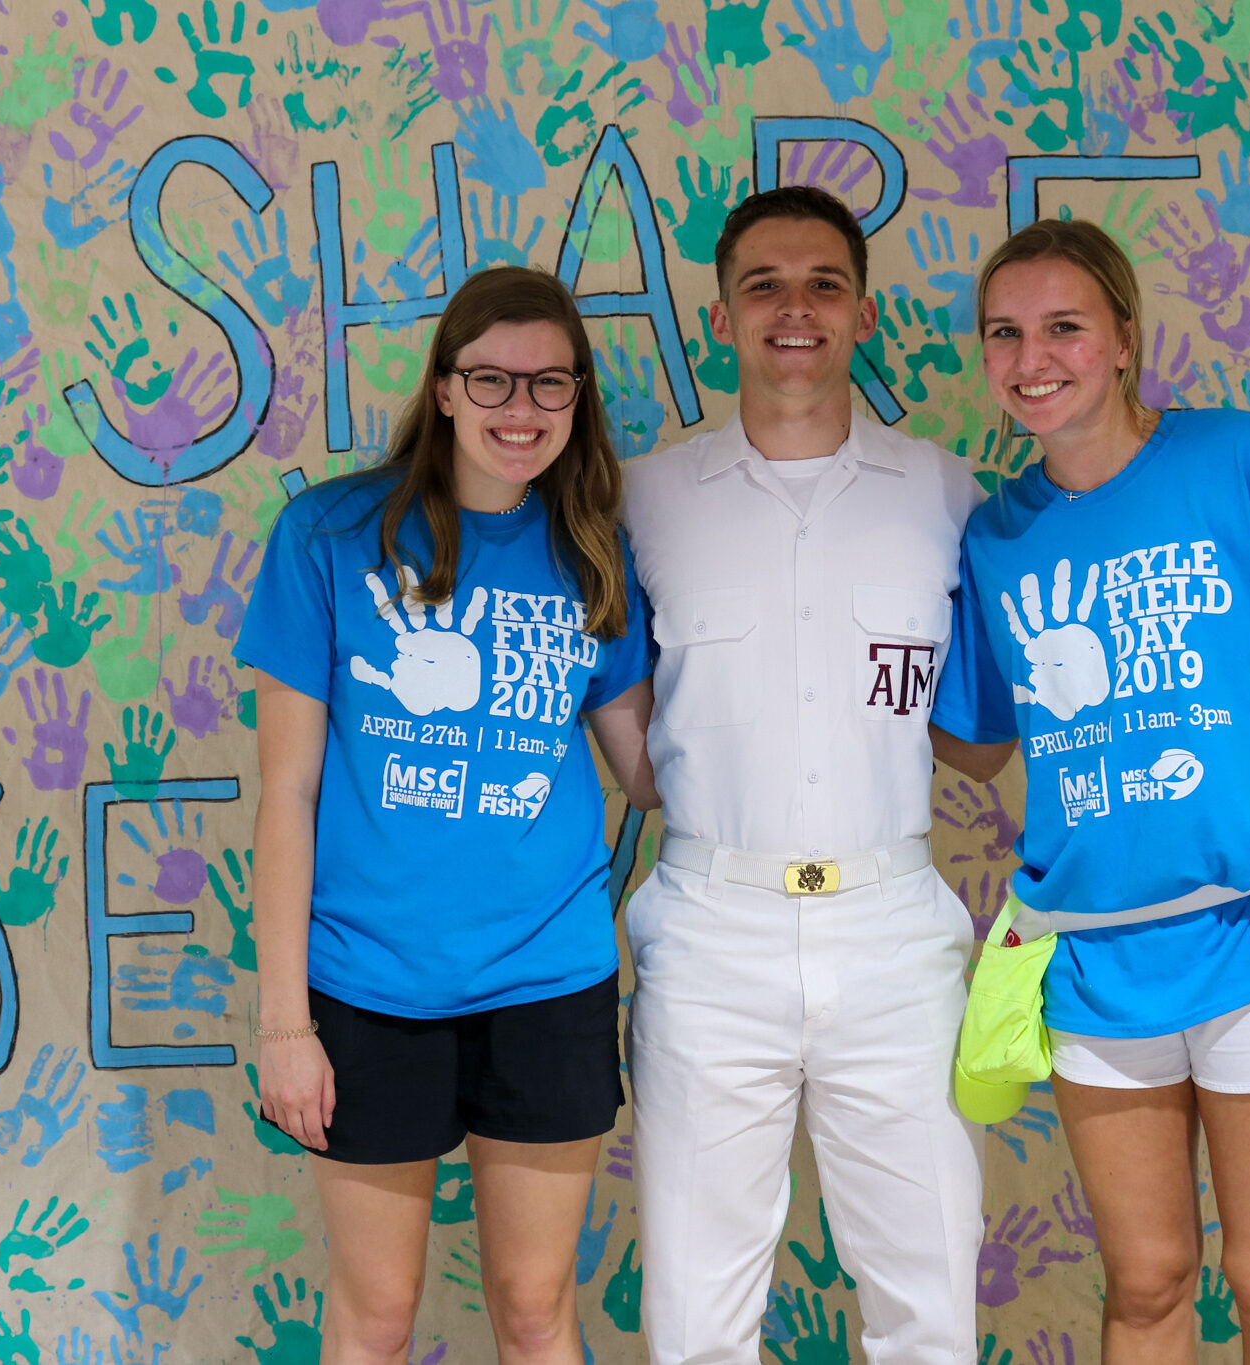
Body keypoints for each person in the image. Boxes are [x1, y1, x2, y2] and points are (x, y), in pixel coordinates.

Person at [930, 219, 1250, 1364]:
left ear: (1123, 338)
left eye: (1064, 327)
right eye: (1004, 333)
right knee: (1147, 1285)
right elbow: (968, 745)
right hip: (1093, 963)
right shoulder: (993, 537)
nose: (1033, 359)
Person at [236, 266, 658, 1365]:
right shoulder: (326, 537)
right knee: (374, 1317)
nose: (521, 410)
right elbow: (285, 793)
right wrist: (284, 1025)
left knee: (534, 1312)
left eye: (549, 386)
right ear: (443, 388)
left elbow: (654, 773)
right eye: (492, 380)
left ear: (578, 401)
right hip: (367, 985)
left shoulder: (593, 556)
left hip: (548, 982)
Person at [620, 186, 985, 1365]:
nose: (795, 310)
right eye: (763, 287)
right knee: (694, 1310)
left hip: (894, 933)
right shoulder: (642, 501)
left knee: (928, 1288)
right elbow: (612, 714)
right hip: (708, 933)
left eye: (823, 284)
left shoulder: (947, 495)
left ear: (862, 311)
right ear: (720, 316)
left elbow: (987, 727)